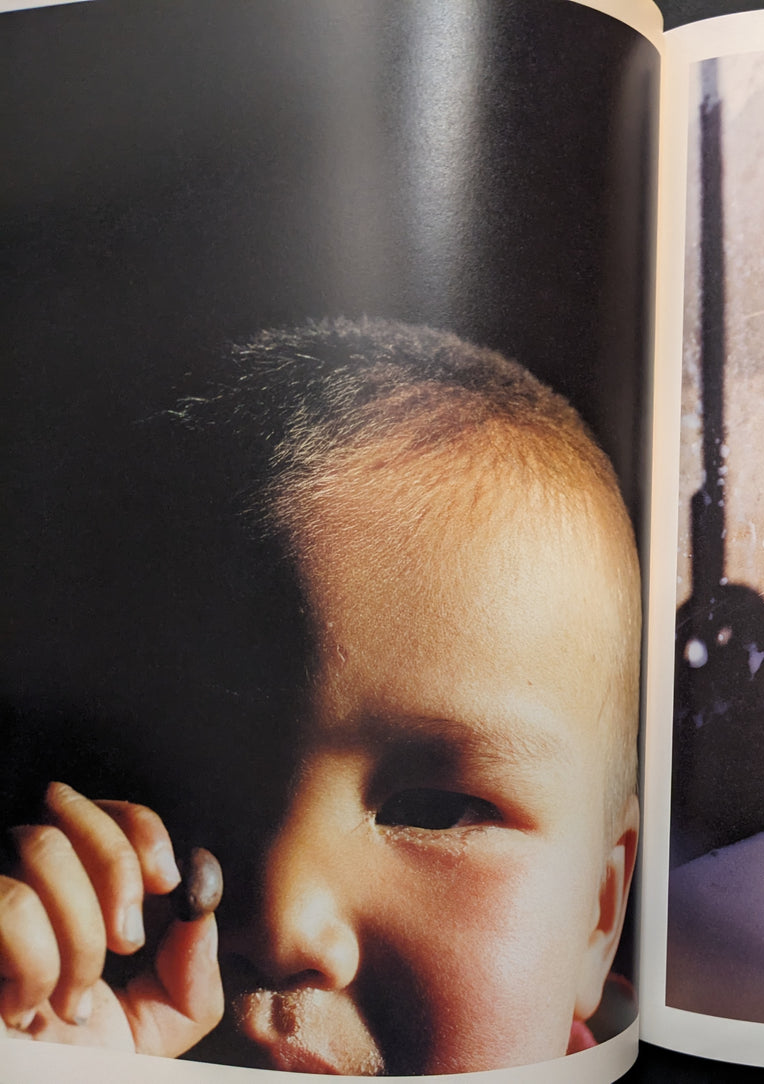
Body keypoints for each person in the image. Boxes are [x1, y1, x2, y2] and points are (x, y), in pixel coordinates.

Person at [0, 319, 641, 1074]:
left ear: (597, 918)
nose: (283, 923)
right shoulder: (63, 1040)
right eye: (180, 787)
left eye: (433, 811)